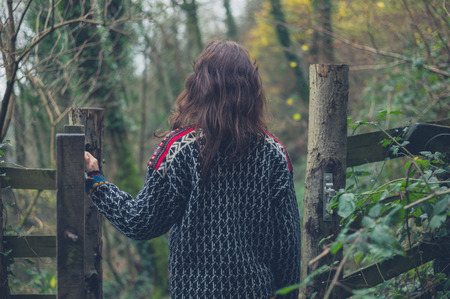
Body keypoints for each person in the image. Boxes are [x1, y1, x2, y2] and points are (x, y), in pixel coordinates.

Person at [84, 40, 301, 299]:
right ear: (251, 91)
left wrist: (96, 181)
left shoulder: (179, 150)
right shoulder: (275, 153)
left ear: (201, 87)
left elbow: (139, 222)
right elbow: (288, 247)